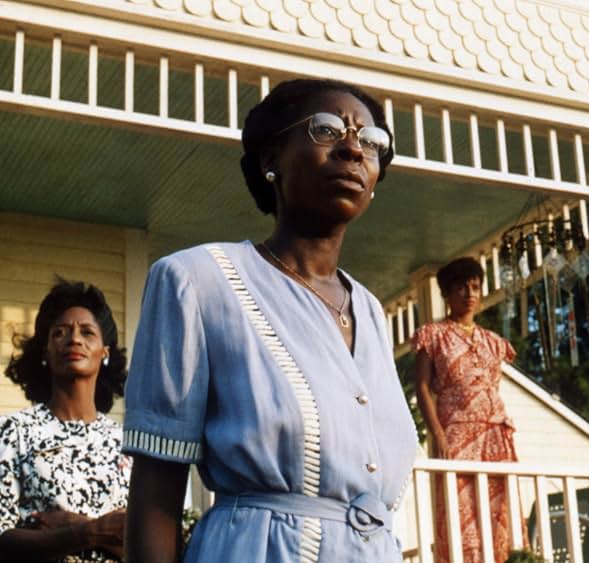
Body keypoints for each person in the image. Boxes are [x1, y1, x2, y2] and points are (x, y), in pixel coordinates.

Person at [122, 78, 418, 563]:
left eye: (370, 143)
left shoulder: (371, 312)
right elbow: (156, 492)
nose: (351, 149)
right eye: (326, 130)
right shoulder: (197, 281)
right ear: (270, 160)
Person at [0, 280, 131, 562]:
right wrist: (93, 532)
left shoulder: (126, 443)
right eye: (60, 332)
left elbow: (149, 544)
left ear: (104, 352)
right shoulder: (14, 432)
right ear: (45, 351)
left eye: (87, 332)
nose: (74, 339)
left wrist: (75, 527)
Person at [413, 257, 519, 563]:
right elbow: (422, 388)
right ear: (448, 292)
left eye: (475, 287)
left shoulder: (493, 341)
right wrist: (438, 435)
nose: (469, 294)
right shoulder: (433, 335)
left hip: (496, 436)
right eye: (461, 288)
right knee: (461, 517)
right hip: (456, 435)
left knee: (500, 517)